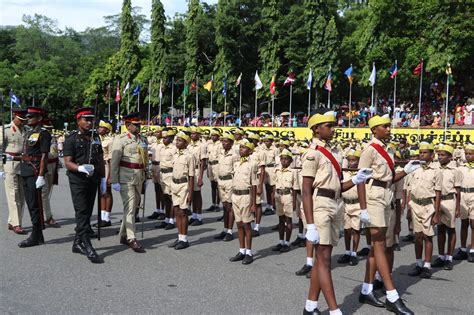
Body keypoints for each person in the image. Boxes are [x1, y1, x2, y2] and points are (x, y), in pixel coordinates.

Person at [302, 110, 373, 315]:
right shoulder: (312, 153)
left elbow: (338, 186)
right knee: (324, 259)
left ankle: (310, 306)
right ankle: (335, 310)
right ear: (316, 129)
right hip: (321, 205)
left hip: (335, 203)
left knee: (323, 257)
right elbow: (306, 190)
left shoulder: (334, 152)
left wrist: (357, 179)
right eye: (329, 126)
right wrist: (310, 224)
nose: (333, 129)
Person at [357, 114, 419, 314]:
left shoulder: (388, 149)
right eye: (385, 126)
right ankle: (392, 296)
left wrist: (406, 171)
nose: (389, 129)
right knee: (380, 245)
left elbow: (390, 178)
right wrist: (364, 208)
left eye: (389, 126)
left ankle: (366, 289)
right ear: (374, 130)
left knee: (377, 248)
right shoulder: (370, 150)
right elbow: (361, 180)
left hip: (387, 195)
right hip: (374, 197)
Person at [63, 107, 105, 263]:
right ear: (78, 120)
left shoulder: (95, 137)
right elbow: (67, 162)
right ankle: (88, 245)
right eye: (86, 119)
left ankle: (77, 242)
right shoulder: (71, 139)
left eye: (91, 119)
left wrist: (102, 178)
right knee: (81, 211)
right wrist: (80, 168)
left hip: (93, 179)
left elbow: (100, 159)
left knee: (87, 211)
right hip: (78, 180)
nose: (89, 122)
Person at [110, 112, 147, 253]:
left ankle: (124, 235)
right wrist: (114, 180)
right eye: (135, 125)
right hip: (125, 177)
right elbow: (115, 161)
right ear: (127, 125)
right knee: (130, 207)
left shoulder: (142, 139)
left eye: (139, 125)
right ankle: (132, 238)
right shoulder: (120, 139)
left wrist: (146, 175)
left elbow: (145, 159)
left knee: (134, 207)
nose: (139, 127)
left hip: (139, 177)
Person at [405, 142, 442, 278]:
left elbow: (438, 193)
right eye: (420, 152)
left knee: (428, 236)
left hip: (428, 206)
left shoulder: (436, 171)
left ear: (432, 155)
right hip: (415, 205)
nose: (422, 154)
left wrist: (437, 214)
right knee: (418, 236)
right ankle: (418, 264)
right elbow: (410, 189)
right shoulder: (414, 168)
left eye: (425, 152)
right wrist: (409, 208)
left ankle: (427, 265)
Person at [18, 107, 52, 247]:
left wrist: (41, 175)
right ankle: (38, 234)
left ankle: (36, 234)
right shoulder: (28, 132)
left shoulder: (43, 133)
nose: (28, 119)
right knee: (31, 203)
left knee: (35, 204)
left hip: (35, 170)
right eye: (28, 116)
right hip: (25, 168)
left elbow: (44, 156)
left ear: (39, 118)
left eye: (31, 117)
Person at [431, 144, 462, 270]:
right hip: (437, 201)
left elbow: (458, 191)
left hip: (449, 201)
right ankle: (441, 256)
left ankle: (449, 257)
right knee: (440, 230)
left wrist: (458, 207)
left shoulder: (455, 171)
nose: (440, 157)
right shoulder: (434, 169)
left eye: (443, 155)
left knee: (451, 229)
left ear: (450, 157)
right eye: (438, 155)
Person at [229, 138, 258, 265]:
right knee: (239, 224)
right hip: (235, 196)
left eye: (244, 147)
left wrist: (253, 204)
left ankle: (249, 252)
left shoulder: (252, 165)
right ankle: (241, 250)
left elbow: (254, 185)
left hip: (246, 197)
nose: (241, 149)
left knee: (247, 225)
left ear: (250, 151)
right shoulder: (236, 163)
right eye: (240, 147)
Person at [0, 108, 27, 234]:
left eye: (24, 119)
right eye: (20, 119)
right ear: (14, 116)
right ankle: (17, 223)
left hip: (22, 163)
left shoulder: (25, 130)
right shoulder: (4, 129)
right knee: (13, 195)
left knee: (22, 196)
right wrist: (0, 167)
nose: (22, 122)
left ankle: (12, 221)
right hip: (9, 163)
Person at [169, 131, 195, 250]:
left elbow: (191, 175)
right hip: (174, 184)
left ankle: (184, 239)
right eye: (176, 140)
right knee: (176, 211)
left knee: (183, 212)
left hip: (184, 186)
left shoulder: (189, 156)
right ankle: (179, 237)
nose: (176, 142)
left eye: (180, 140)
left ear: (185, 143)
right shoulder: (175, 154)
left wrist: (190, 191)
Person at [338, 149, 362, 266]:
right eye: (349, 160)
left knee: (356, 230)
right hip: (346, 203)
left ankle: (354, 253)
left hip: (357, 204)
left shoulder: (360, 173)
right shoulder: (344, 172)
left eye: (354, 160)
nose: (351, 162)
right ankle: (347, 252)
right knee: (347, 230)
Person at [271, 149, 298, 253]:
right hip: (278, 195)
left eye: (286, 159)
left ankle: (287, 243)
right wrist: (273, 198)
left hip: (288, 196)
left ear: (290, 160)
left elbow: (295, 188)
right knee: (281, 220)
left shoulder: (293, 171)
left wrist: (294, 202)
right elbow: (274, 186)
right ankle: (281, 241)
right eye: (282, 159)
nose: (283, 161)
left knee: (288, 220)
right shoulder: (276, 170)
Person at [214, 131, 239, 241]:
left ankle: (229, 231)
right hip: (221, 181)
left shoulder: (235, 155)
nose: (223, 143)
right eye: (222, 141)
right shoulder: (221, 153)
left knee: (230, 207)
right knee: (224, 206)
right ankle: (225, 229)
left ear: (231, 143)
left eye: (226, 141)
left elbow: (237, 171)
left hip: (230, 181)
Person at [154, 128, 177, 230]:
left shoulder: (174, 149)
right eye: (163, 138)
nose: (164, 140)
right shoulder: (162, 148)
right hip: (163, 174)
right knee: (165, 197)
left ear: (171, 138)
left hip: (171, 174)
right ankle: (167, 219)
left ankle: (172, 220)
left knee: (171, 198)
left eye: (166, 138)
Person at [455, 143, 474, 262]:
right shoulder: (460, 168)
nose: (468, 156)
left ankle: (472, 249)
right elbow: (457, 187)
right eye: (466, 153)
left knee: (473, 224)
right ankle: (462, 248)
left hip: (473, 195)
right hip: (462, 195)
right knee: (464, 223)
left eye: (470, 154)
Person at [41, 119, 60, 228]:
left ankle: (43, 215)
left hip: (52, 165)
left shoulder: (52, 137)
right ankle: (47, 217)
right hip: (45, 165)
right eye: (47, 128)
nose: (49, 130)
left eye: (50, 128)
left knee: (47, 193)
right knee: (43, 193)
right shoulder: (41, 136)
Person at [188, 126, 207, 226]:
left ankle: (199, 217)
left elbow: (203, 162)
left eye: (194, 133)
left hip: (196, 170)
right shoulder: (189, 145)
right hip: (189, 170)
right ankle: (194, 215)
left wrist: (200, 177)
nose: (192, 135)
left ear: (199, 135)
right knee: (192, 194)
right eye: (191, 133)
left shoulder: (202, 146)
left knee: (197, 194)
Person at [97, 120, 114, 227]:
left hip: (107, 166)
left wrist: (110, 176)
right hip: (99, 166)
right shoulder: (98, 139)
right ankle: (102, 216)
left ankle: (107, 218)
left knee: (107, 192)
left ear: (107, 129)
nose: (99, 129)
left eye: (101, 127)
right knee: (101, 193)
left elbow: (111, 159)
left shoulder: (111, 140)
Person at [205, 129, 222, 212]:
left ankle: (218, 204)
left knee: (218, 185)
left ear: (218, 136)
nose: (213, 137)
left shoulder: (220, 145)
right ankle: (213, 203)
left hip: (217, 164)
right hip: (210, 164)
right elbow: (208, 156)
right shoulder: (209, 144)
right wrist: (207, 169)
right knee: (212, 185)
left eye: (215, 135)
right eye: (212, 135)